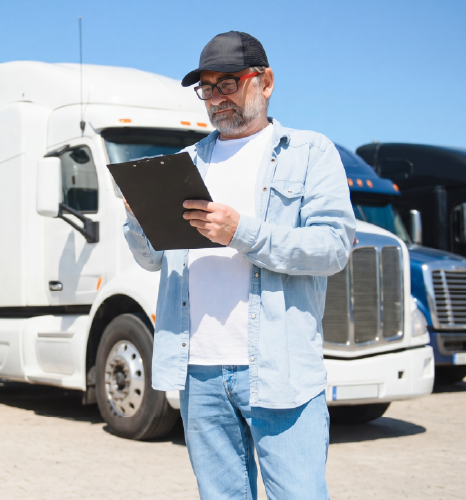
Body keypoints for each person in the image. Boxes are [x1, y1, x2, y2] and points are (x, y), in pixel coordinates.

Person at [122, 31, 355, 499]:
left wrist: (240, 233)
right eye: (207, 88)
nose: (215, 99)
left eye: (227, 83)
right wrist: (135, 220)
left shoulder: (310, 152)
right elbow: (152, 261)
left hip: (279, 370)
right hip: (199, 373)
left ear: (265, 82)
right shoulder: (185, 163)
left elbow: (334, 247)